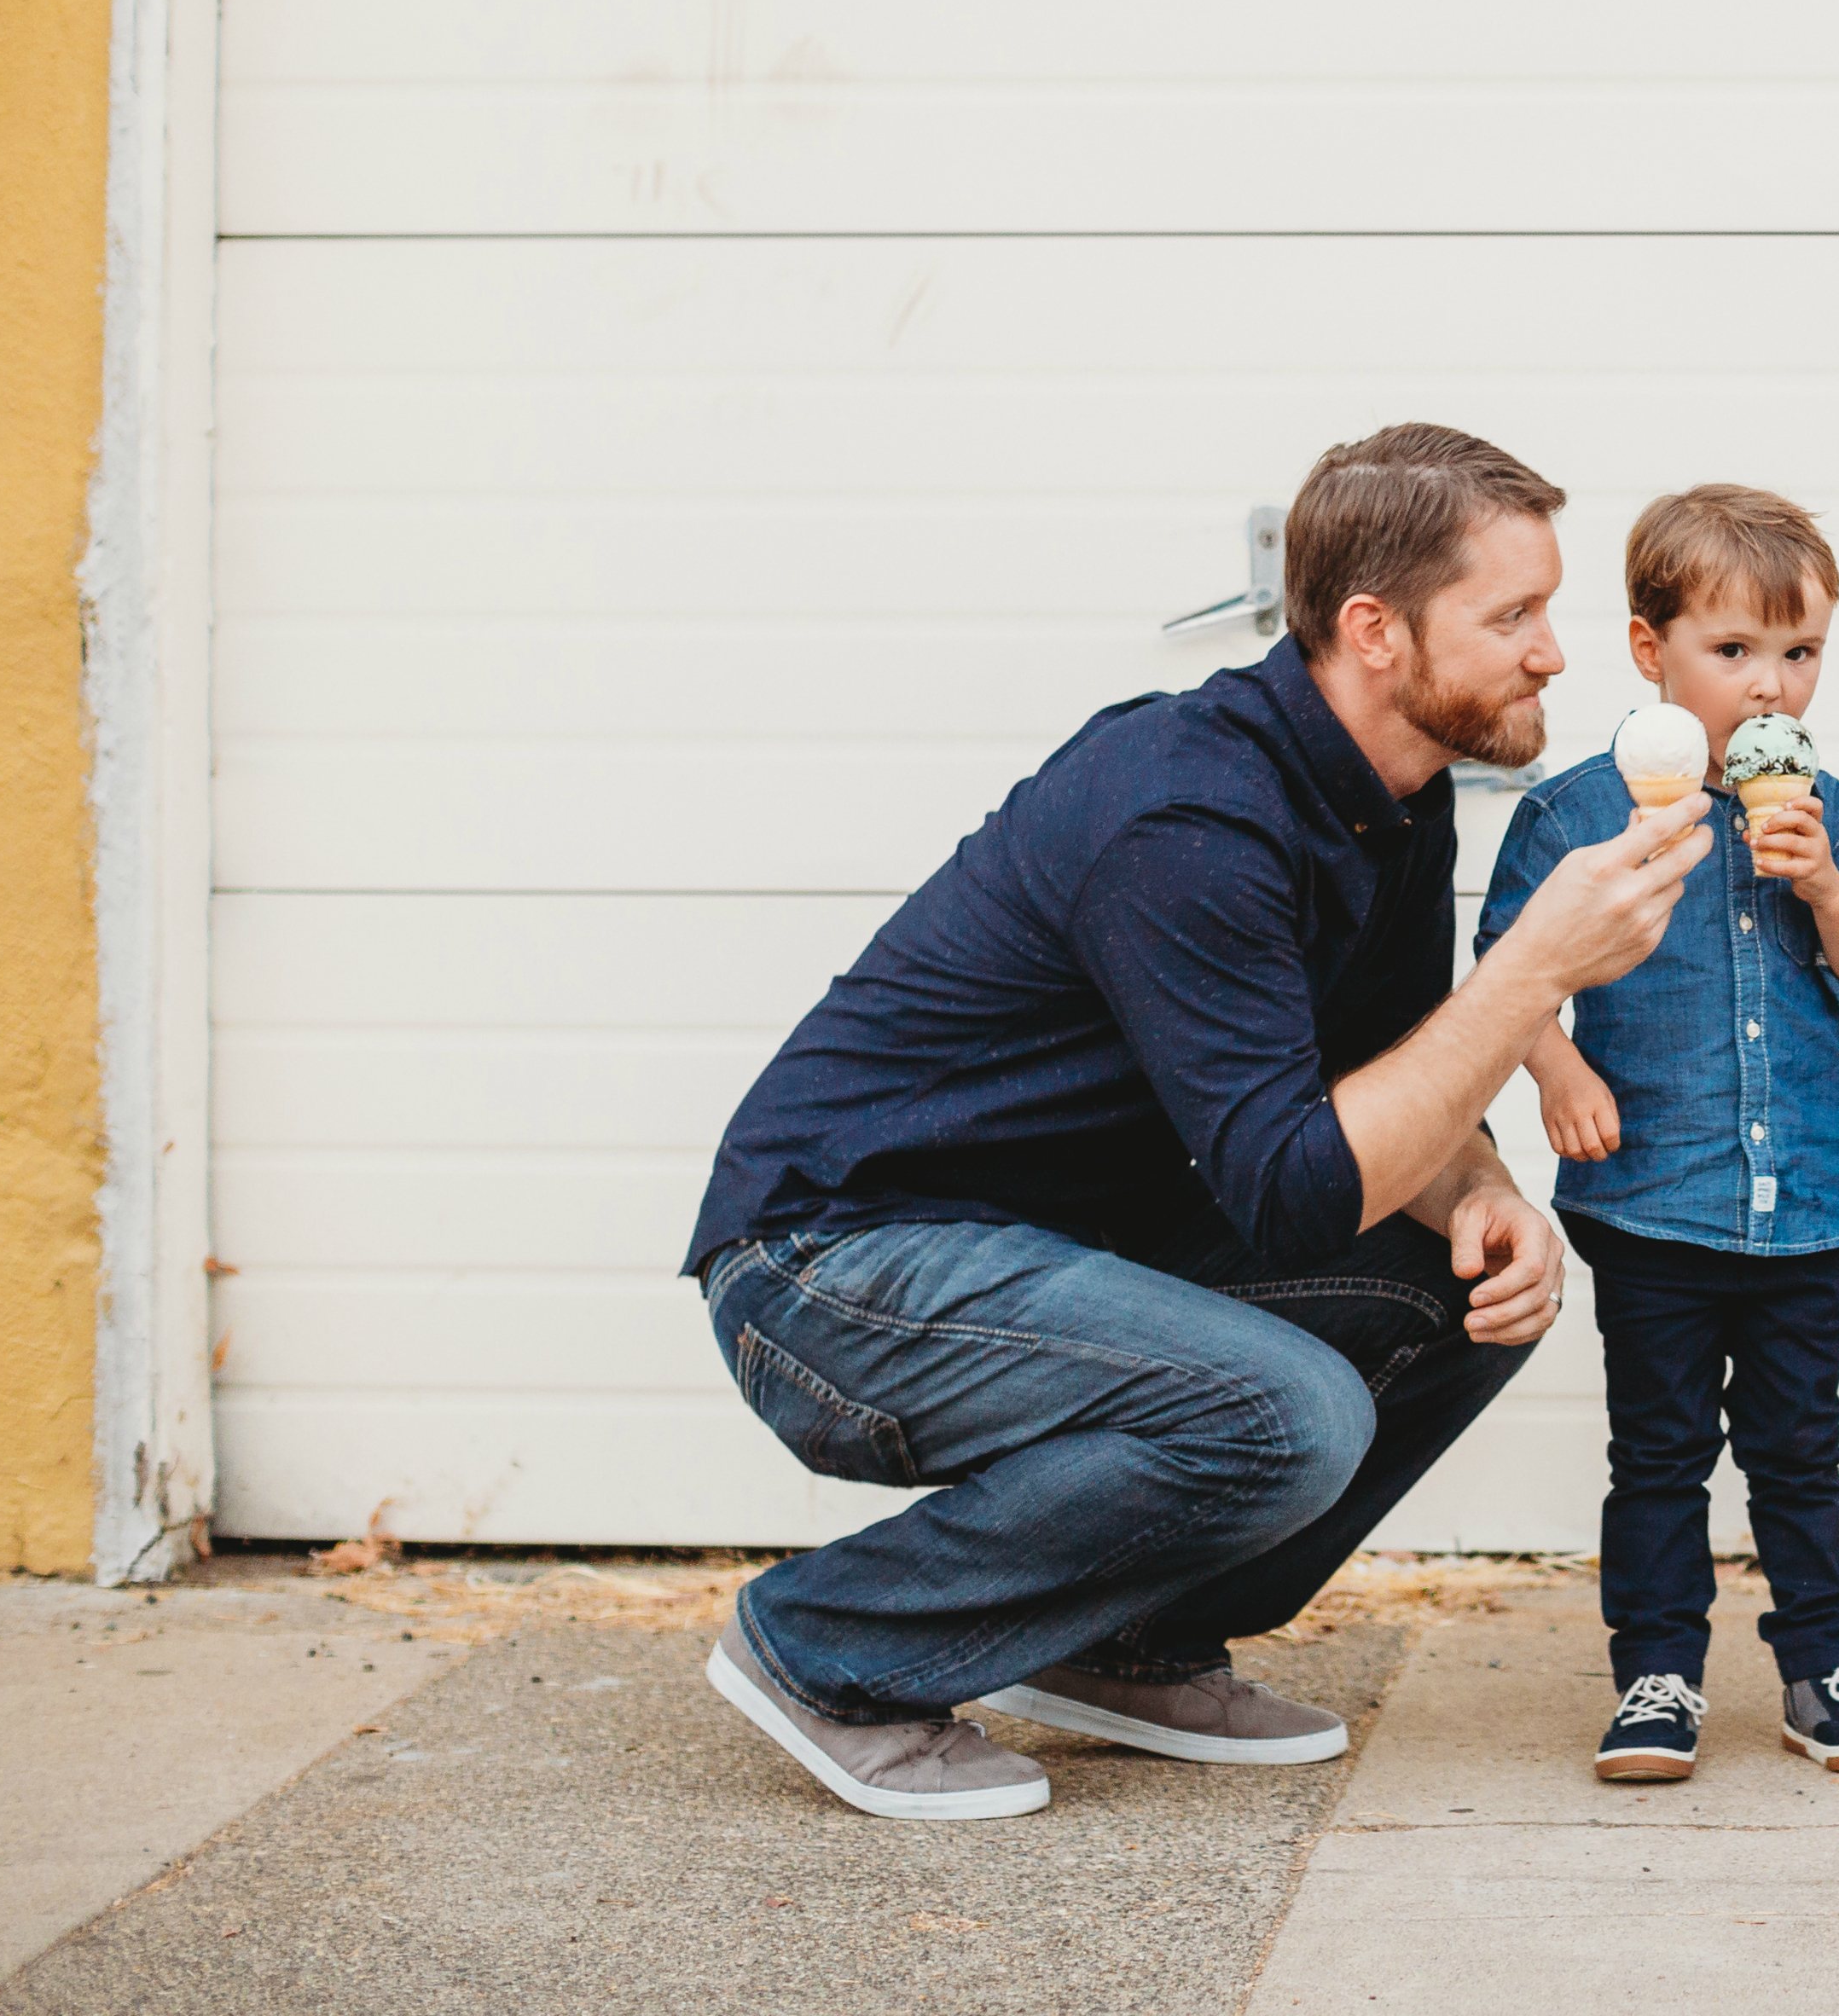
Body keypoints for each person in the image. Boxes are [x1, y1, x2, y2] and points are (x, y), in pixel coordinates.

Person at [681, 424, 1714, 1822]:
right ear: (1378, 633)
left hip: (1053, 1251)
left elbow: (1392, 1067)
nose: (1553, 654)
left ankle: (1126, 1641)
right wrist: (1532, 967)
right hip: (836, 1267)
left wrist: (1479, 1190)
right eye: (1514, 615)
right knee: (1285, 1410)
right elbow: (1294, 1190)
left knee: (1452, 1292)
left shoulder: (1394, 806)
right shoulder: (1192, 816)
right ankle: (831, 1648)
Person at [1480, 486, 1839, 1784]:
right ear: (1648, 649)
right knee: (1659, 1449)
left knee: (1800, 1448)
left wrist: (1825, 882)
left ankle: (1823, 1667)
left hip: (1809, 1203)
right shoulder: (1576, 812)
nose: (1772, 685)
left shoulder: (1824, 807)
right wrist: (1555, 1063)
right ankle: (1659, 1675)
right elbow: (1505, 960)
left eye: (1801, 654)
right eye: (1735, 653)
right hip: (1653, 1197)